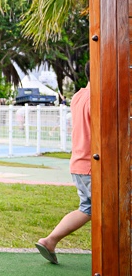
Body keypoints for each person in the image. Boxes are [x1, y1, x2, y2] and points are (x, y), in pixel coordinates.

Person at [36, 82, 91, 264]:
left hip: (79, 161)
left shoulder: (78, 96)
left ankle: (50, 240)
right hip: (93, 164)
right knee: (107, 210)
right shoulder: (98, 98)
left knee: (87, 208)